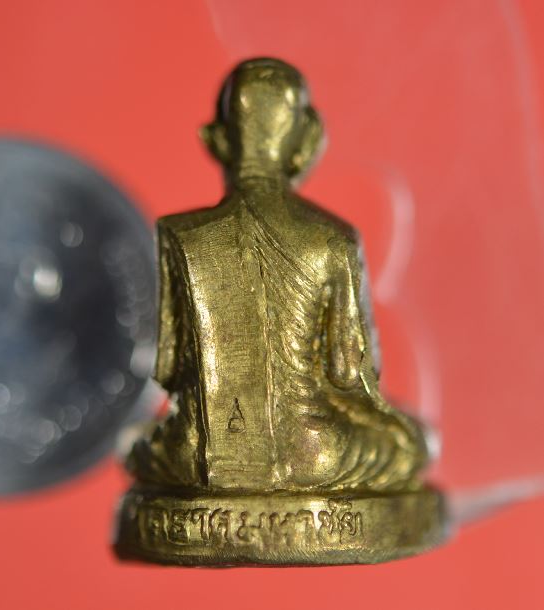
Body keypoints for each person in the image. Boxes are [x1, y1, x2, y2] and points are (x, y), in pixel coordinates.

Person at [127, 58, 429, 493]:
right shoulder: (332, 239)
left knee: (136, 445)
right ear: (308, 140)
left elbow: (169, 370)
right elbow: (348, 371)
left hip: (200, 459)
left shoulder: (180, 236)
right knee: (411, 447)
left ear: (216, 141)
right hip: (317, 456)